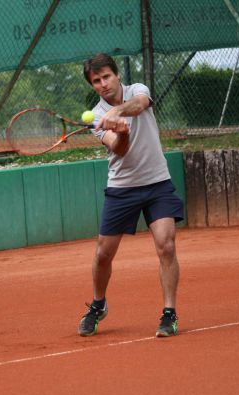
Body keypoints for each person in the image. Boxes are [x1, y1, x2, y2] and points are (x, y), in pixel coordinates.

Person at [78, 53, 184, 338]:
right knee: (103, 254)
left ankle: (169, 313)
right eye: (96, 81)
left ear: (117, 75)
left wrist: (118, 113)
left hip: (157, 183)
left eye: (106, 77)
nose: (103, 84)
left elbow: (140, 105)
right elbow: (119, 149)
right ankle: (98, 304)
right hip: (122, 188)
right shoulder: (96, 116)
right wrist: (121, 132)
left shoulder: (137, 89)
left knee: (166, 246)